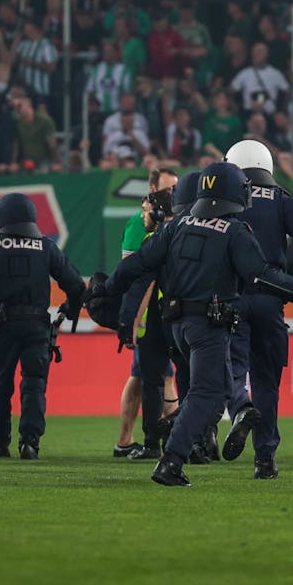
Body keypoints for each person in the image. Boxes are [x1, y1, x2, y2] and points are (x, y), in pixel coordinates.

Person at [94, 162, 293, 487]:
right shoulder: (235, 232)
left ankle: (181, 428)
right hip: (209, 326)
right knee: (208, 394)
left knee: (213, 388)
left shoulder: (177, 224)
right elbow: (262, 276)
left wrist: (108, 289)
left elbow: (141, 262)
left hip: (177, 326)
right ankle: (170, 461)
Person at [223, 140, 293, 479]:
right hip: (271, 297)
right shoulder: (282, 199)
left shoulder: (225, 197)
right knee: (267, 381)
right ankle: (264, 458)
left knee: (231, 369)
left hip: (231, 296)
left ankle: (240, 408)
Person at [0, 193, 87, 459]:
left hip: (4, 326)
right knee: (34, 384)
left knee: (0, 383)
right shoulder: (46, 247)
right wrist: (70, 310)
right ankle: (30, 442)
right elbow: (75, 285)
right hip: (37, 326)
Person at [113, 167, 177, 457]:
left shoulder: (172, 223)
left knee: (146, 377)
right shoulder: (138, 224)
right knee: (159, 377)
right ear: (152, 189)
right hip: (150, 317)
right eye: (166, 188)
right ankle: (169, 440)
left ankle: (129, 441)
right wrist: (132, 317)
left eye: (175, 188)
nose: (172, 193)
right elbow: (129, 271)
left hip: (158, 316)